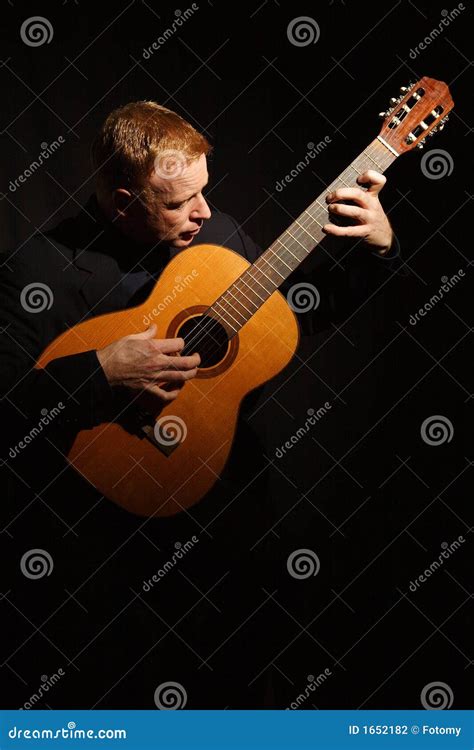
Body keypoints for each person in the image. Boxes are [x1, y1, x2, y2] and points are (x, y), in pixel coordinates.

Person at [1, 101, 399, 709]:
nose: (204, 212)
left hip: (228, 530)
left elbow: (292, 317)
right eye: (178, 203)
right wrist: (101, 370)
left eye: (204, 192)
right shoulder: (38, 269)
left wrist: (376, 248)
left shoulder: (217, 238)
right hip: (103, 552)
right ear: (123, 201)